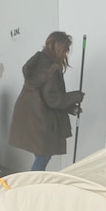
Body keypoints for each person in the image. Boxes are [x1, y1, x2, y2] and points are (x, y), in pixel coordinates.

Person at [9, 31, 84, 171]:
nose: (65, 55)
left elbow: (47, 96)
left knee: (42, 155)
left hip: (31, 114)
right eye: (65, 50)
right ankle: (32, 185)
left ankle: (34, 184)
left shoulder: (40, 62)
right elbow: (53, 99)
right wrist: (76, 96)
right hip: (38, 117)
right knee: (43, 156)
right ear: (58, 48)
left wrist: (70, 108)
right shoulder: (50, 67)